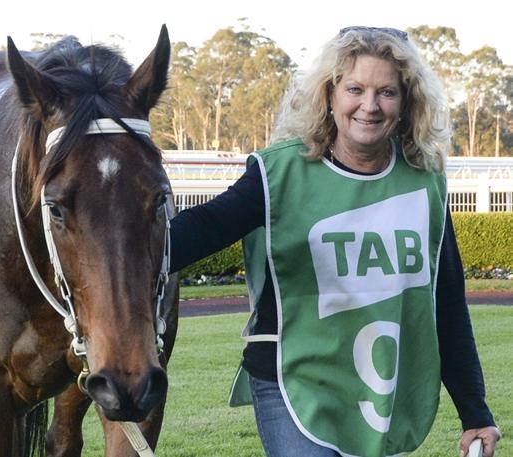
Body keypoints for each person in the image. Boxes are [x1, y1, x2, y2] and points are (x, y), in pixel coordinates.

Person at [169, 27, 500, 457]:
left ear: (406, 103)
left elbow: (447, 303)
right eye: (355, 89)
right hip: (293, 380)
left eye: (387, 92)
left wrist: (475, 412)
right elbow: (201, 229)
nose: (370, 105)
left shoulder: (425, 182)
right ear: (330, 95)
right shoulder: (280, 173)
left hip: (380, 391)